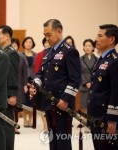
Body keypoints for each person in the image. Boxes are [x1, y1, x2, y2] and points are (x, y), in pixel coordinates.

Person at [29, 19, 81, 150]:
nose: (47, 38)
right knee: (53, 143)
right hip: (49, 103)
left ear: (59, 31)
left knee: (63, 143)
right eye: (45, 35)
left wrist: (65, 100)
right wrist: (36, 84)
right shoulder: (48, 52)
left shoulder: (70, 51)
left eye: (49, 34)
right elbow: (41, 73)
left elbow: (75, 80)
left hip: (62, 105)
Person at [87, 24, 118, 150]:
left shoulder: (116, 61)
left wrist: (113, 121)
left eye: (100, 36)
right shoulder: (102, 59)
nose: (95, 39)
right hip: (96, 116)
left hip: (106, 119)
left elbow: (117, 94)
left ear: (111, 39)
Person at [0, 25, 19, 150]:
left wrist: (13, 95)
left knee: (7, 125)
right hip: (1, 94)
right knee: (1, 126)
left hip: (7, 94)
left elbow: (13, 75)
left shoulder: (11, 53)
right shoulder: (2, 51)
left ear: (6, 36)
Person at [79, 39, 97, 133]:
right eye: (85, 45)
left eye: (89, 46)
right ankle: (84, 123)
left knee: (92, 106)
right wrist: (86, 82)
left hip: (94, 86)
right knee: (83, 106)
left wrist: (93, 82)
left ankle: (91, 124)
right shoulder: (80, 59)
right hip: (84, 85)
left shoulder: (97, 59)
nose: (87, 47)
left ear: (93, 47)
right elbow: (79, 73)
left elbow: (98, 73)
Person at [11, 38, 28, 134]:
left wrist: (25, 85)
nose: (13, 47)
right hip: (9, 85)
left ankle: (15, 125)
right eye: (12, 45)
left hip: (19, 84)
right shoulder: (6, 56)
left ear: (18, 47)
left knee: (17, 108)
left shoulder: (21, 57)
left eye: (15, 46)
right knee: (10, 107)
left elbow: (25, 72)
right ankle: (10, 125)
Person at [33, 37, 50, 131]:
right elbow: (37, 70)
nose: (47, 43)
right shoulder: (40, 54)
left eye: (48, 42)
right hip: (42, 83)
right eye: (45, 42)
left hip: (51, 84)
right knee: (43, 106)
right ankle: (45, 126)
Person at [22, 36, 36, 127]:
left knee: (32, 101)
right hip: (23, 79)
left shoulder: (36, 55)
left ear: (32, 44)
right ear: (24, 44)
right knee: (24, 100)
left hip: (33, 80)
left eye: (30, 42)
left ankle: (30, 120)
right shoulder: (20, 54)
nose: (28, 44)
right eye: (26, 42)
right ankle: (24, 120)